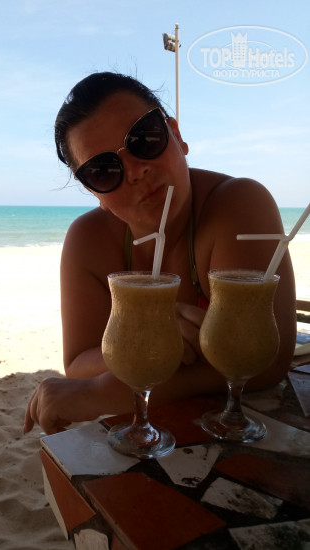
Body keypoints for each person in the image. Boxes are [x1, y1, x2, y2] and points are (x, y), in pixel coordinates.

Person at [23, 71, 296, 436]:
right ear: (93, 191)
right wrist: (146, 338)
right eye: (103, 170)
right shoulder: (87, 241)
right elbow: (77, 362)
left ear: (177, 135)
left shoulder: (238, 204)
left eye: (145, 138)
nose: (136, 171)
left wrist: (100, 392)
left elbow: (262, 361)